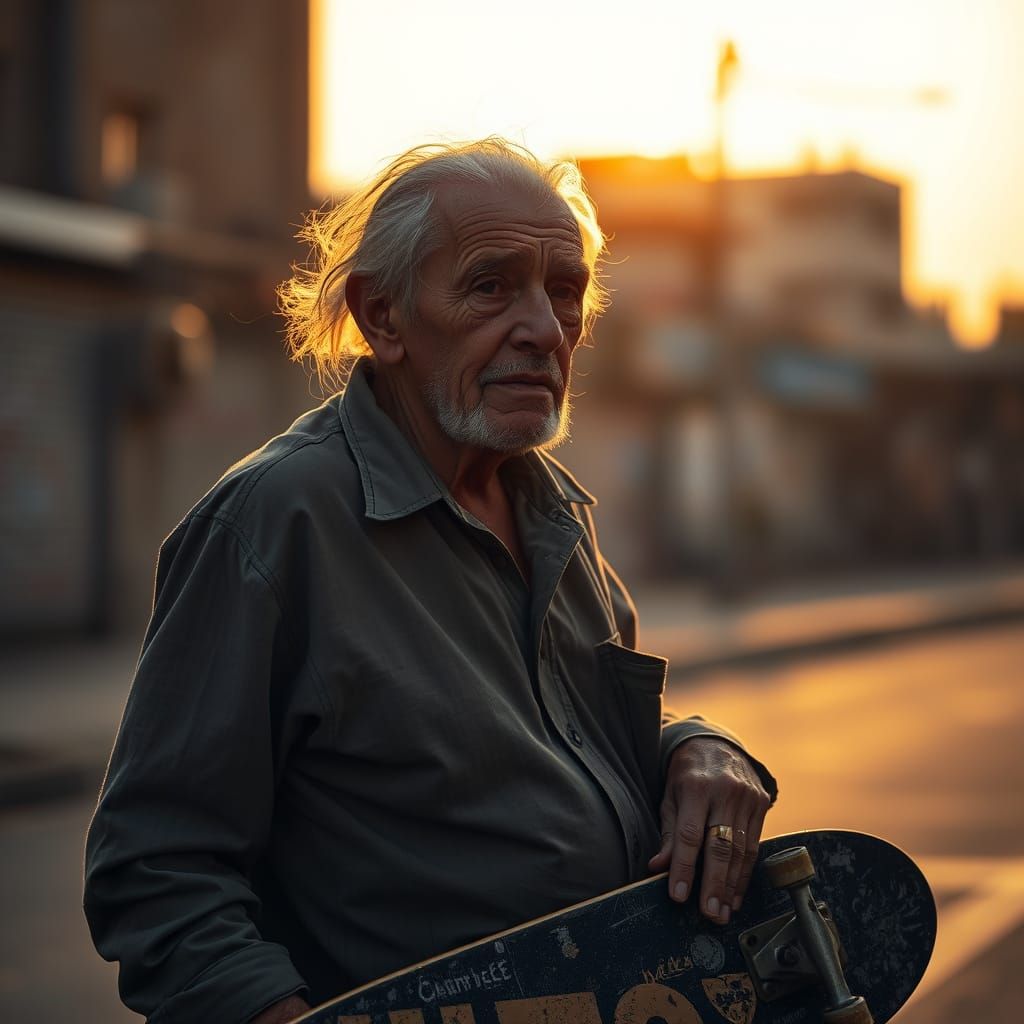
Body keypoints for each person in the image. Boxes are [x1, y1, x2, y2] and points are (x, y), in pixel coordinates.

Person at [84, 139, 776, 1024]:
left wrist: (696, 748)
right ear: (385, 317)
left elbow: (582, 733)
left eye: (564, 293)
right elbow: (155, 871)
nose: (542, 327)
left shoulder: (551, 511)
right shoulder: (274, 525)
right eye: (492, 286)